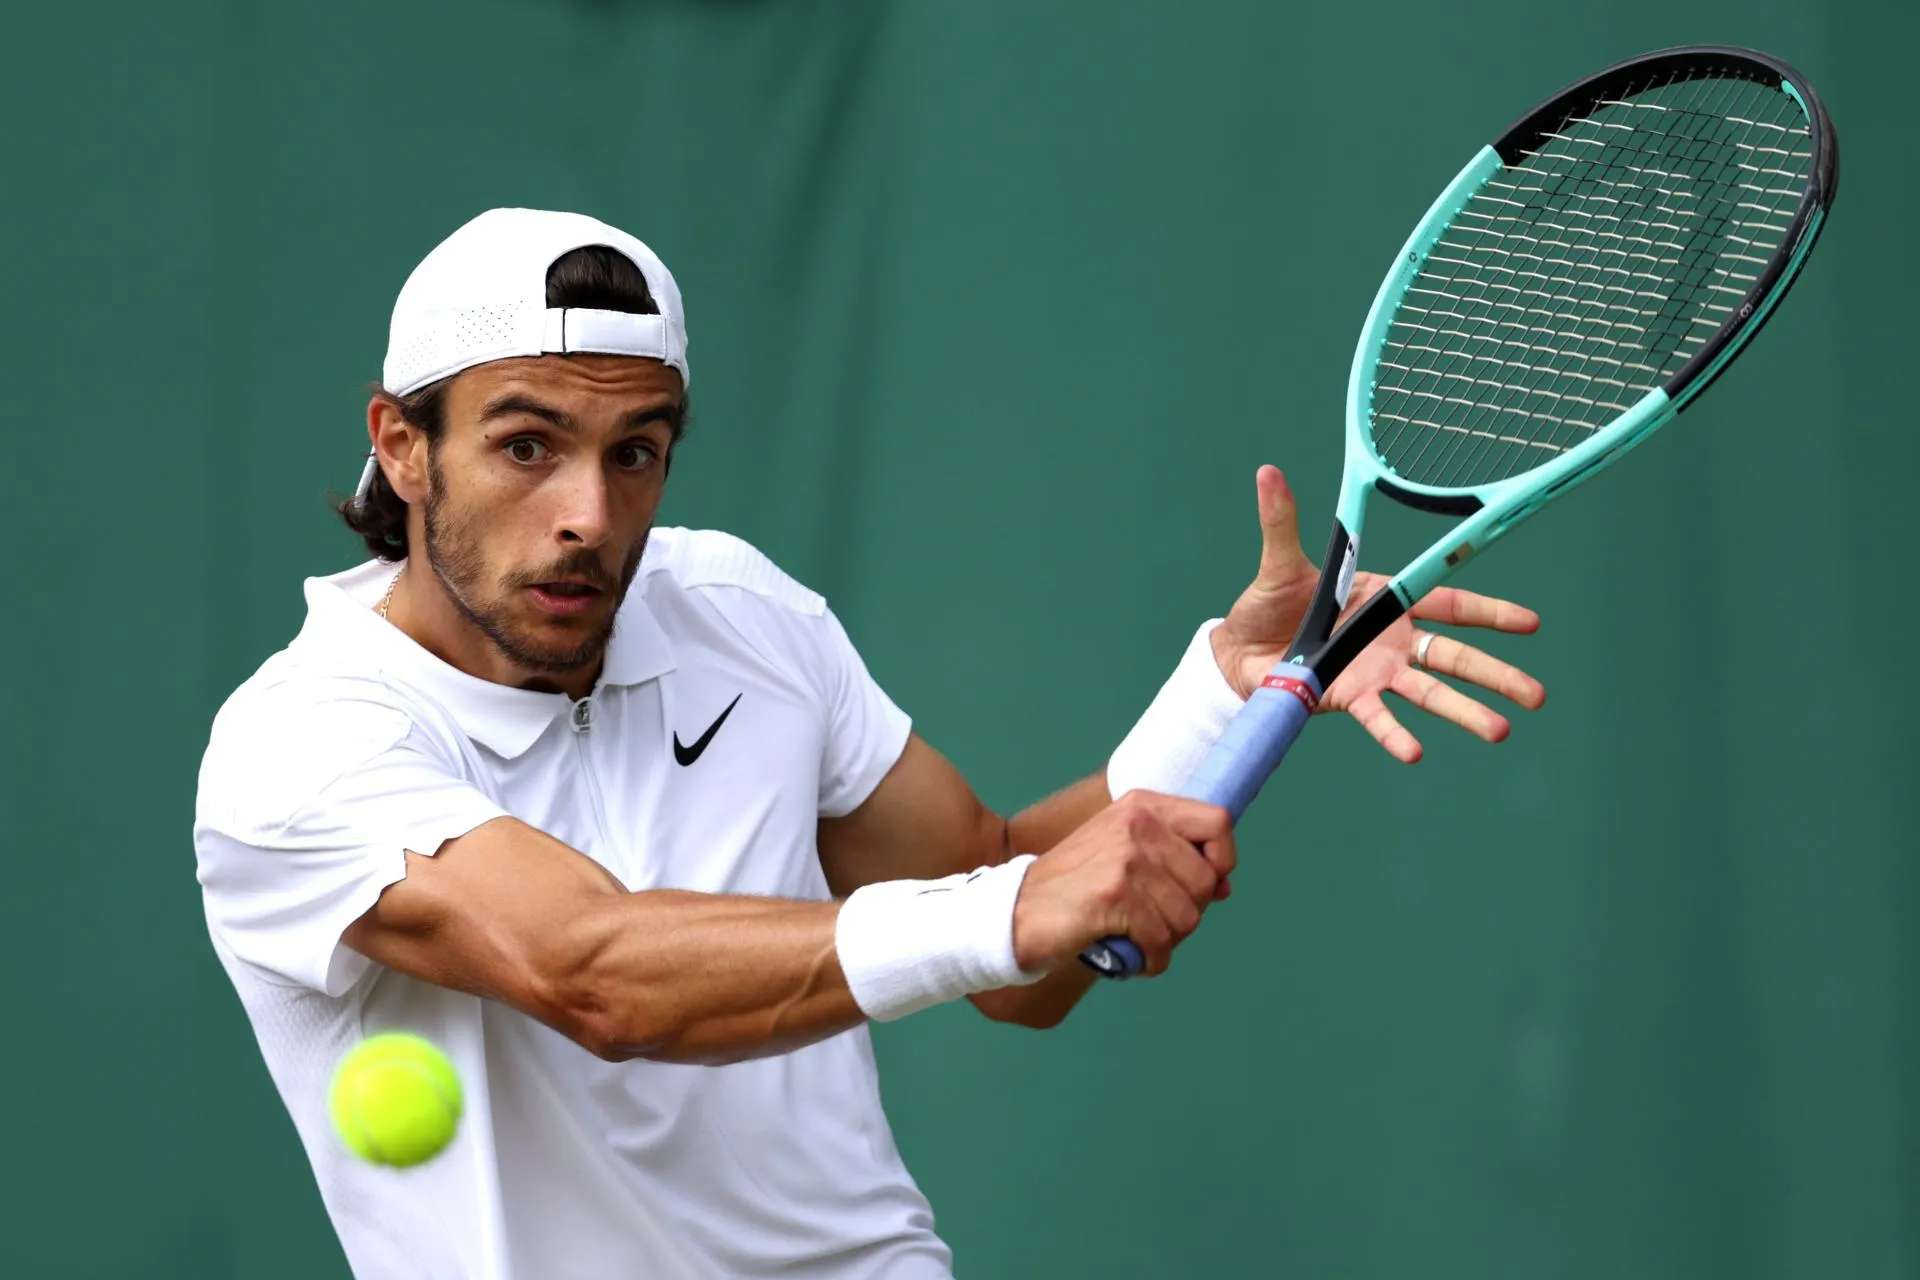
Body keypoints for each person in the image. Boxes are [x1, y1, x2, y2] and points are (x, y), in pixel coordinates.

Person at [193, 208, 1547, 1280]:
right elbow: (591, 971)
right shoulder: (299, 745)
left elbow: (1008, 918)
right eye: (527, 445)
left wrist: (1234, 693)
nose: (589, 514)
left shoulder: (740, 614)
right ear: (403, 446)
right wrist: (1018, 906)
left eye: (637, 452)